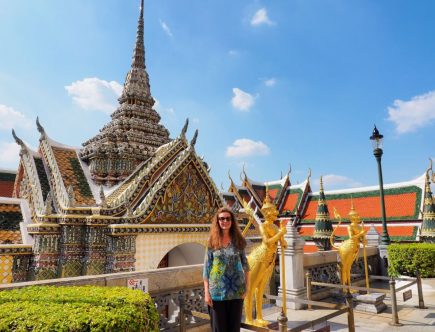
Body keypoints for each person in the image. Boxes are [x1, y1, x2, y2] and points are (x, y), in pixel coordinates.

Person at [203, 207, 250, 332]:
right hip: (217, 293)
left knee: (234, 328)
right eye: (221, 219)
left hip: (236, 290)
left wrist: (247, 287)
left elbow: (246, 266)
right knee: (219, 328)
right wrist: (207, 292)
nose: (225, 221)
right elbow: (207, 268)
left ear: (232, 221)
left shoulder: (238, 241)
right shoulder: (212, 242)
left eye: (227, 218)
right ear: (217, 221)